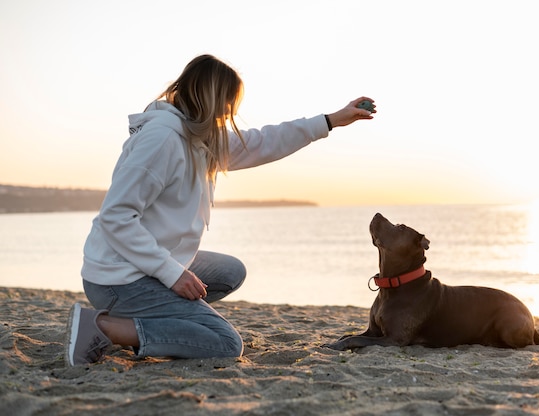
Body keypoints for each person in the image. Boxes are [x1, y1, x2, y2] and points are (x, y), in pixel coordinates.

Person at [65, 54, 376, 366]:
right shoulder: (161, 139)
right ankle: (105, 327)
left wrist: (331, 120)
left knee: (230, 272)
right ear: (210, 96)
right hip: (117, 279)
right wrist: (173, 274)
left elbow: (264, 141)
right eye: (228, 103)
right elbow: (115, 217)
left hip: (141, 265)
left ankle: (147, 322)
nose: (230, 112)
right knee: (226, 343)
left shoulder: (199, 140)